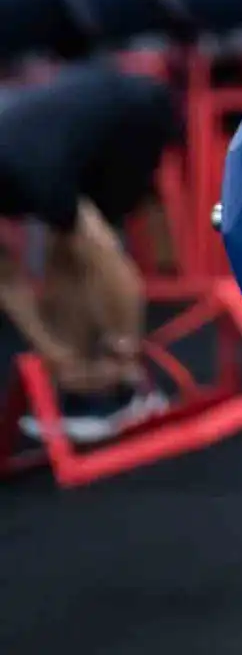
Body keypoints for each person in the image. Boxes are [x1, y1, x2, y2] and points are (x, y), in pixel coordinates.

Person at [0, 64, 179, 442]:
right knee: (60, 258)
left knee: (79, 252)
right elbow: (7, 280)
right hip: (61, 127)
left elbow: (104, 255)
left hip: (132, 113)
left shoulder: (28, 171)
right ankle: (85, 383)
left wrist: (124, 349)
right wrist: (56, 355)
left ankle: (133, 386)